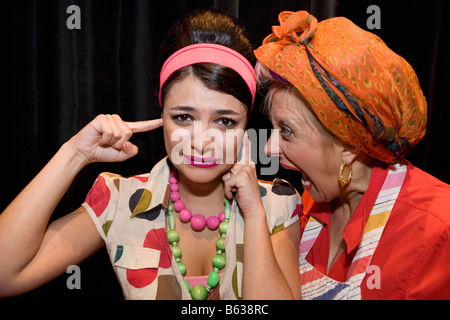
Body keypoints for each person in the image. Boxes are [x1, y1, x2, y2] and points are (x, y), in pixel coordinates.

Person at [0, 8, 301, 300]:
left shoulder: (276, 204)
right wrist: (74, 153)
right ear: (161, 116)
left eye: (225, 121)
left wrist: (253, 214)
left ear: (246, 124)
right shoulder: (118, 199)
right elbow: (5, 276)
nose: (201, 143)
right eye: (184, 117)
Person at [254, 10, 450, 299]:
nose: (268, 148)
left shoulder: (437, 229)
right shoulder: (310, 201)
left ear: (349, 145)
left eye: (287, 131)